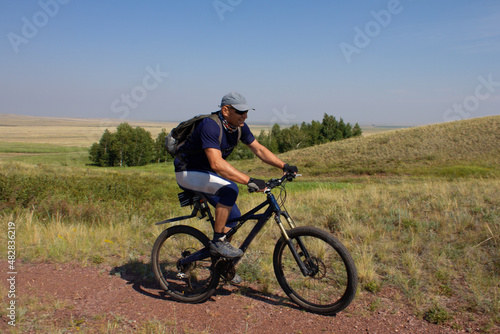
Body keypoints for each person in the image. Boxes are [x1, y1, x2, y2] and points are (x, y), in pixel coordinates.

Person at [174, 92, 298, 261]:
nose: (245, 116)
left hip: (206, 173)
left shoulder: (239, 127)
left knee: (233, 218)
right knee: (230, 190)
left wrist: (284, 166)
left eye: (246, 112)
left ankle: (222, 265)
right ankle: (218, 242)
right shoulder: (210, 126)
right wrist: (250, 180)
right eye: (240, 112)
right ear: (225, 110)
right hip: (187, 172)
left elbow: (259, 149)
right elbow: (217, 164)